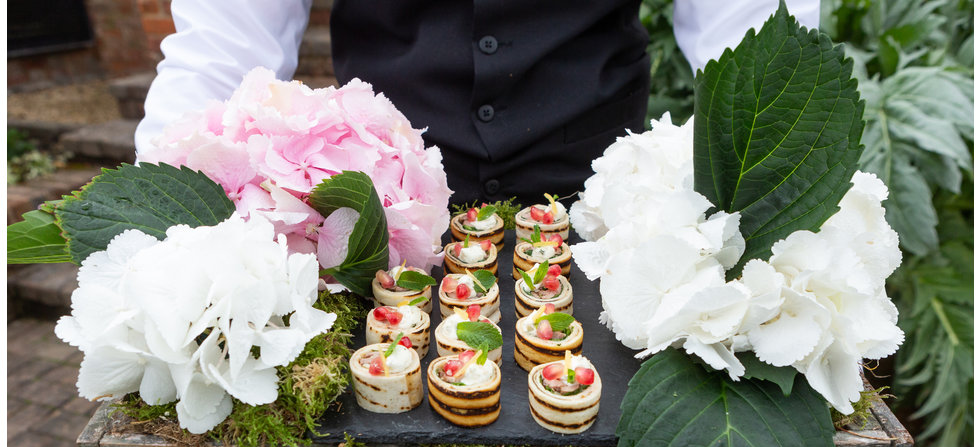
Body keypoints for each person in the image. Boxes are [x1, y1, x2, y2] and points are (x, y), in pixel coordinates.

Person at [134, 0, 818, 206]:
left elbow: (758, 41)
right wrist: (161, 223)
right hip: (381, 231)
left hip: (606, 219)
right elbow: (221, 54)